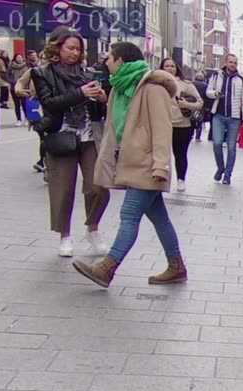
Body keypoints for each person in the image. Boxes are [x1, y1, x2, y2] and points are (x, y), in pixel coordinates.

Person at [72, 41, 186, 289]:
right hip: (132, 162)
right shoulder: (119, 89)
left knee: (129, 214)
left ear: (120, 61)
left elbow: (161, 129)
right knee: (160, 219)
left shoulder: (152, 88)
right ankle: (176, 266)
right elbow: (123, 123)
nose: (106, 62)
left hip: (148, 164)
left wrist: (161, 166)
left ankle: (107, 268)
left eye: (110, 58)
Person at [32, 26, 110, 257]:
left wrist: (101, 99)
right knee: (62, 189)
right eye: (70, 48)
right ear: (57, 47)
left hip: (87, 135)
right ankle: (64, 236)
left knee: (99, 186)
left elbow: (94, 107)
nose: (75, 53)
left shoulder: (87, 73)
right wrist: (81, 94)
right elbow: (49, 104)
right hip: (61, 136)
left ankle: (92, 228)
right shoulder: (43, 73)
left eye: (78, 49)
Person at [161, 58, 202, 193]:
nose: (170, 68)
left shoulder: (185, 85)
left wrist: (187, 105)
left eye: (172, 66)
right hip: (162, 124)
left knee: (180, 154)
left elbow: (199, 102)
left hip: (182, 125)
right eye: (166, 66)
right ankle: (160, 178)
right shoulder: (155, 84)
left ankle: (181, 179)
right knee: (161, 154)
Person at [206, 53, 243, 184]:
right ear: (226, 62)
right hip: (218, 115)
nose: (233, 65)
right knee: (217, 144)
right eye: (231, 62)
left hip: (234, 118)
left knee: (231, 147)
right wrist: (215, 94)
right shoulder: (216, 75)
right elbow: (208, 92)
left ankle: (228, 175)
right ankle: (220, 168)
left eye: (235, 63)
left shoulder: (242, 79)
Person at [8, 51, 29, 125]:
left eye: (20, 57)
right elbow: (7, 75)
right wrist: (12, 81)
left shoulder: (26, 67)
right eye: (18, 57)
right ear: (15, 59)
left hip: (23, 88)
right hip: (14, 87)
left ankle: (27, 118)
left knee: (24, 104)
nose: (19, 59)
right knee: (16, 104)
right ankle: (18, 119)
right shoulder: (11, 66)